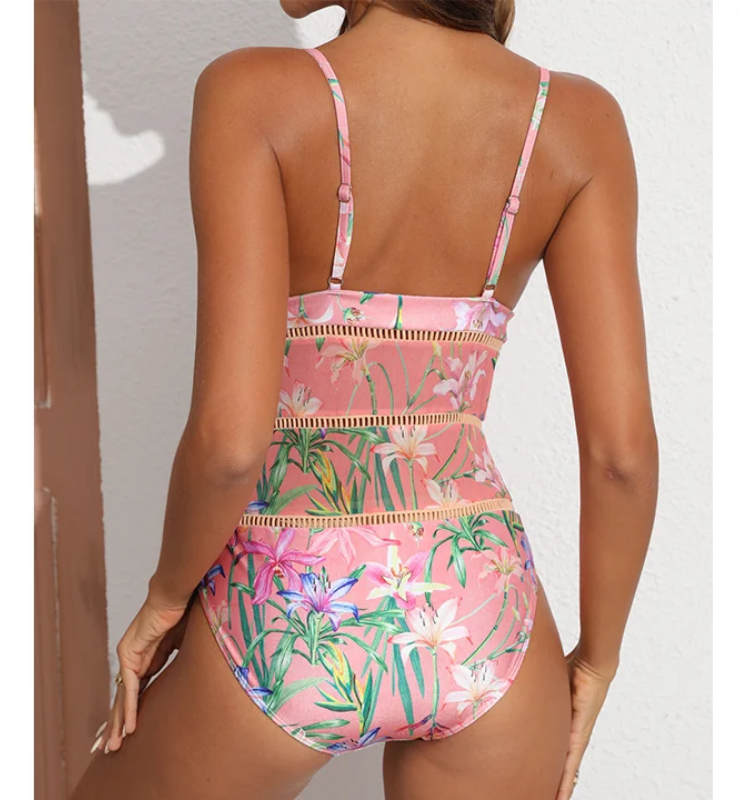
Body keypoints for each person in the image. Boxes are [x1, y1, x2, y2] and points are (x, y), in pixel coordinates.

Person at [71, 1, 658, 798]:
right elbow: (622, 456)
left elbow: (230, 448)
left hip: (290, 605)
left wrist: (165, 601)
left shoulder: (252, 93)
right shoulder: (579, 121)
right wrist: (598, 656)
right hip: (483, 613)